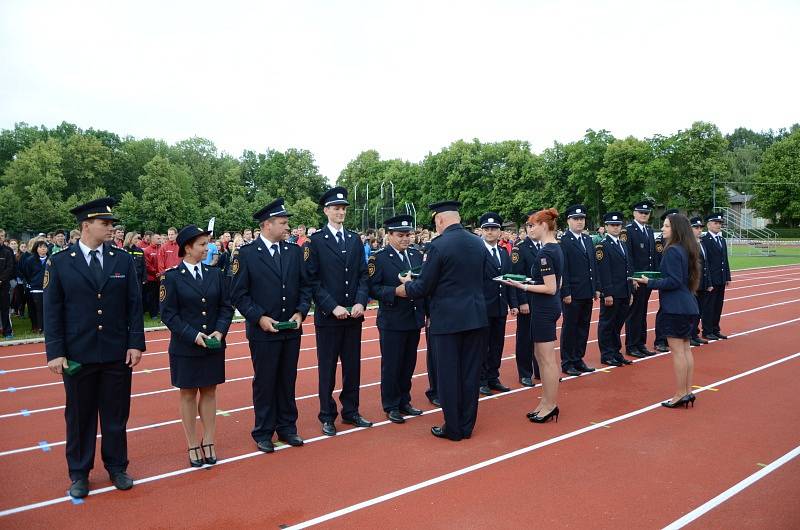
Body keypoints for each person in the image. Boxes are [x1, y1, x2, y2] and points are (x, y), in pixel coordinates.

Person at [44, 197, 145, 499]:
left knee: (116, 415)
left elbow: (134, 305)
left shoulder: (122, 259)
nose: (112, 228)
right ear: (86, 225)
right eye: (106, 223)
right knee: (79, 417)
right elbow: (52, 310)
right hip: (78, 354)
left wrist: (135, 343)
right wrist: (55, 351)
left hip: (116, 352)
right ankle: (79, 472)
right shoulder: (60, 262)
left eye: (112, 224)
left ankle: (116, 466)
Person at [397, 201, 488, 441]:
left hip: (447, 321)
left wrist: (407, 284)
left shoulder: (438, 246)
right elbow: (486, 279)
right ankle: (467, 425)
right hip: (476, 317)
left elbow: (424, 286)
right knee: (470, 374)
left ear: (439, 220)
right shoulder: (478, 243)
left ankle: (453, 427)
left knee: (448, 375)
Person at [231, 199, 311, 452]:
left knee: (287, 379)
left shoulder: (293, 251)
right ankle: (263, 431)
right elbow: (238, 294)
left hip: (290, 329)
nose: (287, 227)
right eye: (283, 223)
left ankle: (287, 427)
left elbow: (305, 286)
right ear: (267, 224)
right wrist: (259, 317)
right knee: (265, 381)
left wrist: (300, 312)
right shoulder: (246, 254)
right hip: (263, 330)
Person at [160, 225, 233, 466]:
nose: (207, 248)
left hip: (213, 344)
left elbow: (226, 307)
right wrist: (193, 335)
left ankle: (209, 439)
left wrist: (220, 331)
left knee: (210, 391)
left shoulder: (215, 275)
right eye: (202, 244)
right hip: (186, 346)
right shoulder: (171, 277)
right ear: (187, 248)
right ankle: (192, 443)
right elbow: (168, 315)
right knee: (188, 393)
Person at [304, 187, 373, 436]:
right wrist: (331, 306)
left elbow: (363, 276)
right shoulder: (316, 241)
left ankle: (351, 411)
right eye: (336, 208)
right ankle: (327, 415)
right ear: (326, 211)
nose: (340, 212)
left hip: (353, 315)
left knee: (352, 367)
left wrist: (360, 302)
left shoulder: (355, 240)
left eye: (343, 208)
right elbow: (312, 281)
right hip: (329, 317)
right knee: (328, 368)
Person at [502, 208, 564, 424]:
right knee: (540, 356)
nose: (529, 229)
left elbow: (551, 287)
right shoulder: (556, 248)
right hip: (547, 307)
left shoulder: (546, 252)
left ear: (544, 226)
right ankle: (545, 402)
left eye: (532, 225)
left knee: (547, 360)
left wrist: (522, 286)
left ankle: (550, 404)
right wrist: (531, 283)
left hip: (545, 308)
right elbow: (558, 283)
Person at [633, 213, 700, 408]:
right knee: (686, 350)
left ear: (676, 229)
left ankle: (681, 393)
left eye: (666, 226)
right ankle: (687, 391)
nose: (662, 229)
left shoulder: (672, 251)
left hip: (675, 308)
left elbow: (673, 281)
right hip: (687, 305)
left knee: (679, 352)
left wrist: (649, 282)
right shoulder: (686, 249)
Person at [367, 214, 425, 424]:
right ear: (388, 235)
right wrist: (395, 292)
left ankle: (404, 400)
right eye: (400, 235)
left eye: (408, 235)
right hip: (392, 318)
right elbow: (373, 288)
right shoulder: (379, 257)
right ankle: (391, 404)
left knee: (409, 363)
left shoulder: (416, 255)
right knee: (392, 364)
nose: (405, 239)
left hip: (413, 317)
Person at [478, 212, 518, 395]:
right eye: (487, 229)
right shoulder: (477, 252)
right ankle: (482, 379)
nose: (490, 232)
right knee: (482, 345)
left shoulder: (503, 252)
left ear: (500, 231)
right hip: (483, 307)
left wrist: (513, 303)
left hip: (500, 306)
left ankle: (493, 376)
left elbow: (508, 280)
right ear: (481, 231)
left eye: (493, 229)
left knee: (497, 344)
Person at [559, 204, 599, 376]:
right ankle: (567, 361)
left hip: (587, 291)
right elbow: (563, 268)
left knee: (583, 326)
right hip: (573, 293)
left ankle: (578, 358)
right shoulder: (564, 241)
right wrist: (566, 291)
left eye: (582, 218)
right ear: (568, 220)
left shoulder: (588, 239)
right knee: (570, 327)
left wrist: (596, 287)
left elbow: (593, 266)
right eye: (576, 219)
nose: (579, 222)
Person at [595, 212, 634, 367]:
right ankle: (606, 354)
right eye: (612, 225)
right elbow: (604, 271)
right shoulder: (602, 245)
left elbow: (628, 269)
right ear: (606, 227)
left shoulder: (623, 244)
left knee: (618, 324)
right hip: (612, 292)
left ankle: (616, 352)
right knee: (607, 324)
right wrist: (607, 293)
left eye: (618, 225)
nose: (616, 228)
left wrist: (630, 291)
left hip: (624, 291)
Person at [511, 210, 542, 386]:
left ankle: (541, 370)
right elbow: (516, 277)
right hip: (528, 300)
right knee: (525, 337)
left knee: (543, 337)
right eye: (529, 226)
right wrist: (521, 301)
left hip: (544, 299)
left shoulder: (549, 246)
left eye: (535, 225)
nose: (531, 229)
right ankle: (525, 372)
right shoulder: (520, 248)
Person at [625, 200, 658, 359]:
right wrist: (632, 278)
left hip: (648, 279)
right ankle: (632, 345)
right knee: (634, 313)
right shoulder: (629, 231)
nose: (644, 215)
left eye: (646, 213)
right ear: (634, 214)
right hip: (637, 280)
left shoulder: (649, 230)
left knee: (643, 312)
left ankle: (640, 343)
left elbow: (652, 256)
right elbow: (629, 256)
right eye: (641, 212)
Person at [653, 209, 680, 353]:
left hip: (674, 282)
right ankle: (660, 340)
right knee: (664, 311)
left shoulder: (679, 241)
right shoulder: (661, 241)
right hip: (666, 281)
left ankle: (670, 337)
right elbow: (659, 262)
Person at [701, 213, 731, 341]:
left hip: (721, 278)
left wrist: (727, 276)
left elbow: (725, 259)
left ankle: (715, 328)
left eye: (720, 223)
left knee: (718, 305)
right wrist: (708, 280)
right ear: (708, 224)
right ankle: (707, 331)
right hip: (711, 279)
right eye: (715, 223)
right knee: (709, 306)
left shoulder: (721, 240)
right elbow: (705, 262)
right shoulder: (705, 240)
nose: (718, 225)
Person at [690, 217, 712, 346]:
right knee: (692, 311)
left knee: (699, 311)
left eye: (700, 228)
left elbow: (706, 265)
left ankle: (694, 333)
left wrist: (708, 282)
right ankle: (690, 334)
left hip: (703, 283)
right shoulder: (688, 244)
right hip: (694, 284)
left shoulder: (701, 243)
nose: (699, 230)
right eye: (696, 227)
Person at [23, 240, 49, 333]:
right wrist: (33, 282)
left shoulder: (51, 259)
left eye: (45, 247)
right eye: (41, 247)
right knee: (37, 309)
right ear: (36, 249)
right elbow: (26, 273)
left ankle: (47, 328)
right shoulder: (30, 260)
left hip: (48, 288)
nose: (43, 249)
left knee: (47, 309)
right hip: (35, 288)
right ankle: (39, 327)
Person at [0, 229, 15, 338]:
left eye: (2, 236)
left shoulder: (8, 251)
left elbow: (10, 268)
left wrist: (1, 279)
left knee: (5, 309)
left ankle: (7, 332)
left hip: (4, 285)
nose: (0, 237)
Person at [143, 233, 161, 318]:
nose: (160, 239)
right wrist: (156, 272)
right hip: (151, 278)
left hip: (160, 277)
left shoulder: (161, 249)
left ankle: (158, 311)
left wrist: (161, 272)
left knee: (159, 295)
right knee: (152, 296)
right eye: (158, 238)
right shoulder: (147, 250)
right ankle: (153, 313)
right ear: (152, 240)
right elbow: (147, 265)